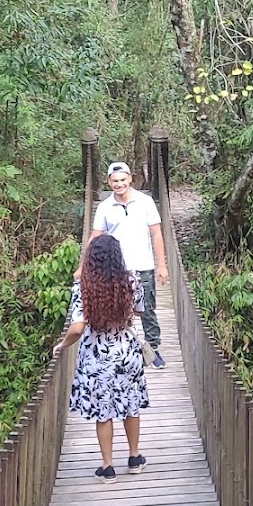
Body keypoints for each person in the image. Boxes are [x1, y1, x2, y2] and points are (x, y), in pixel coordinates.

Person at [52, 235, 149, 482]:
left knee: (103, 412)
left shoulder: (83, 288)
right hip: (127, 354)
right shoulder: (132, 280)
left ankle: (107, 466)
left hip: (98, 359)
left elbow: (76, 327)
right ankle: (135, 457)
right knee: (131, 404)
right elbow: (138, 311)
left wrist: (62, 346)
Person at [87, 161, 170, 369]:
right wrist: (83, 267)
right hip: (115, 269)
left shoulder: (145, 202)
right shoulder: (105, 207)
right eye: (115, 181)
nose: (119, 184)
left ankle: (153, 349)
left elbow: (157, 234)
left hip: (143, 265)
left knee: (147, 308)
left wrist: (162, 265)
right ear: (109, 182)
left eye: (122, 180)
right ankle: (125, 350)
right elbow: (95, 238)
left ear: (130, 179)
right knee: (118, 308)